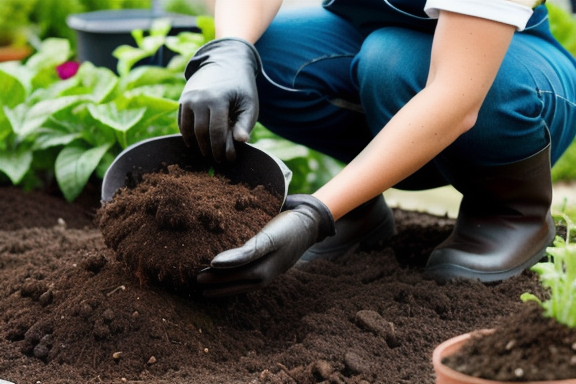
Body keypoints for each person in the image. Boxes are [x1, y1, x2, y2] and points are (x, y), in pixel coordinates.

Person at [178, 0, 576, 297]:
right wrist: (228, 50)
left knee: (390, 59)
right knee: (261, 55)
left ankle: (511, 211)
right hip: (381, 60)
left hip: (515, 80)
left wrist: (317, 213)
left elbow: (457, 96)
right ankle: (360, 207)